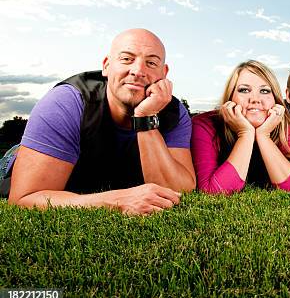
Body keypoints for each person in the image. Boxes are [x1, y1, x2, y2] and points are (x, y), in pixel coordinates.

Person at [5, 29, 195, 215]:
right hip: (26, 160)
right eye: (127, 59)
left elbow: (178, 191)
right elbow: (24, 198)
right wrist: (116, 201)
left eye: (151, 63)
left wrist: (146, 118)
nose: (138, 71)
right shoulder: (66, 102)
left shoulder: (173, 111)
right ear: (106, 65)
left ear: (164, 72)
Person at [192, 60, 290, 193]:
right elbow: (212, 191)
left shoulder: (279, 124)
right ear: (230, 98)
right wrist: (245, 133)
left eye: (265, 91)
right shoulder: (204, 124)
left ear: (275, 100)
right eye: (244, 90)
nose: (255, 99)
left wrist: (263, 135)